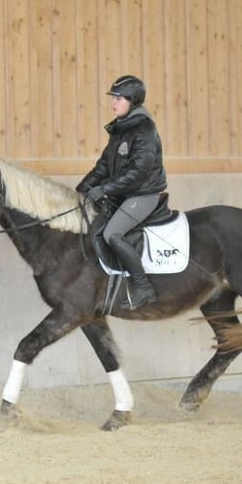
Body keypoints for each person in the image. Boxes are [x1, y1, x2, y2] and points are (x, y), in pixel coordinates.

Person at [76, 75, 168, 310]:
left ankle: (142, 287)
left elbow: (138, 171)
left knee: (113, 234)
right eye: (113, 98)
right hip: (125, 194)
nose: (113, 103)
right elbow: (105, 165)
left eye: (119, 98)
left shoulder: (144, 130)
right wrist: (83, 189)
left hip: (143, 195)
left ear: (133, 101)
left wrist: (104, 189)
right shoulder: (121, 129)